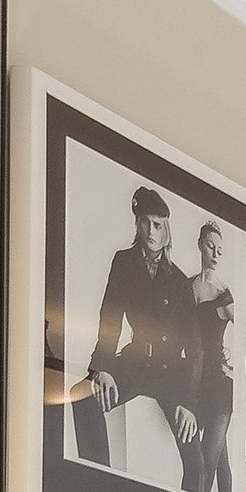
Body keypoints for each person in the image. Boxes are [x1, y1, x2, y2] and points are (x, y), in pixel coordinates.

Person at [81, 186, 186, 475]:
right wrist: (102, 367)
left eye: (157, 225)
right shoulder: (123, 262)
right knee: (83, 396)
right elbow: (110, 316)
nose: (151, 231)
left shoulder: (178, 280)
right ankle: (97, 481)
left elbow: (194, 344)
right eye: (145, 222)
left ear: (166, 229)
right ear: (137, 224)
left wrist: (189, 400)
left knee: (194, 456)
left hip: (169, 371)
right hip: (135, 361)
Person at [177, 221, 239, 492]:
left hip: (221, 383)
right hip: (197, 380)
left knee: (207, 461)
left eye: (220, 250)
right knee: (219, 461)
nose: (215, 253)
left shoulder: (225, 295)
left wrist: (234, 357)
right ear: (201, 244)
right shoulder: (188, 287)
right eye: (211, 246)